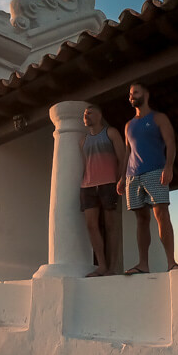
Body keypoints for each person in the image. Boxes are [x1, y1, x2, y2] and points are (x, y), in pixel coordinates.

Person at [116, 83, 178, 274]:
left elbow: (170, 143)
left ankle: (171, 262)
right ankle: (143, 265)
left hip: (155, 171)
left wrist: (169, 166)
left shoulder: (158, 118)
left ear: (146, 94)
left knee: (161, 214)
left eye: (135, 92)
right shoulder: (128, 125)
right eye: (130, 94)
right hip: (132, 176)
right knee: (141, 219)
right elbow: (128, 153)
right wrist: (122, 178)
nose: (131, 96)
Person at [80, 104, 125, 277]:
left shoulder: (111, 133)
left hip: (109, 184)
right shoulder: (82, 141)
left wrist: (121, 179)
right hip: (88, 186)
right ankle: (102, 266)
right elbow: (86, 164)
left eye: (89, 113)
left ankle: (112, 267)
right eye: (85, 114)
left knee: (111, 225)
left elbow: (122, 158)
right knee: (91, 226)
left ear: (99, 115)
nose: (86, 116)